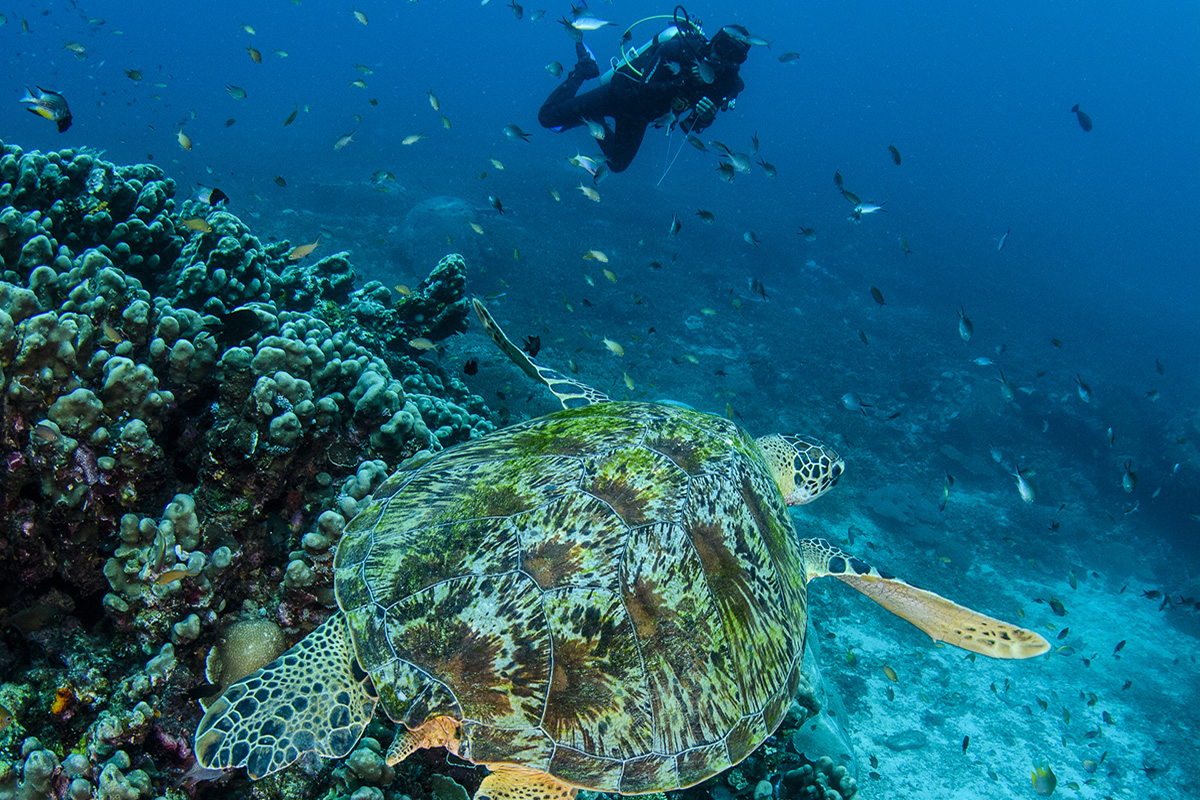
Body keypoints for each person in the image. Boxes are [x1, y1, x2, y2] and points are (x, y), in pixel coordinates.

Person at [538, 11, 752, 173]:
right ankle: (584, 69)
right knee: (546, 117)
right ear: (715, 41)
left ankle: (594, 119)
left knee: (617, 165)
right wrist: (683, 81)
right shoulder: (678, 50)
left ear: (740, 61)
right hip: (620, 94)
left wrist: (705, 118)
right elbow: (644, 88)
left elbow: (689, 125)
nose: (721, 58)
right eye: (723, 47)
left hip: (640, 117)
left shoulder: (725, 84)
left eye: (734, 55)